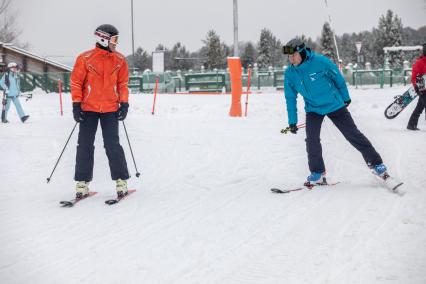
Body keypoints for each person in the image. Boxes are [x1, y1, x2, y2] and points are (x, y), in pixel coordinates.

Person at [282, 38, 388, 186]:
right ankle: (317, 172)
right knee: (312, 140)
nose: (291, 59)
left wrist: (345, 97)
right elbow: (290, 98)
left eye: (293, 55)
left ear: (302, 52)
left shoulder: (320, 62)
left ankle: (376, 164)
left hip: (334, 105)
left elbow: (337, 77)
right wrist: (292, 121)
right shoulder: (290, 74)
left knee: (353, 134)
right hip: (313, 109)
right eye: (289, 56)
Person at [70, 24, 130, 198]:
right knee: (85, 145)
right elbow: (76, 83)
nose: (116, 44)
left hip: (110, 108)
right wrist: (76, 105)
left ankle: (121, 180)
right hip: (88, 109)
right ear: (103, 38)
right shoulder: (85, 58)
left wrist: (124, 103)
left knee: (112, 145)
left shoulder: (119, 60)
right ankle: (82, 183)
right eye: (114, 39)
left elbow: (122, 84)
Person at [406, 43, 426, 131]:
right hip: (422, 89)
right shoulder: (419, 62)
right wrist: (417, 88)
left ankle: (411, 125)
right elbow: (414, 77)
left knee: (419, 108)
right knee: (420, 108)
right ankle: (411, 125)